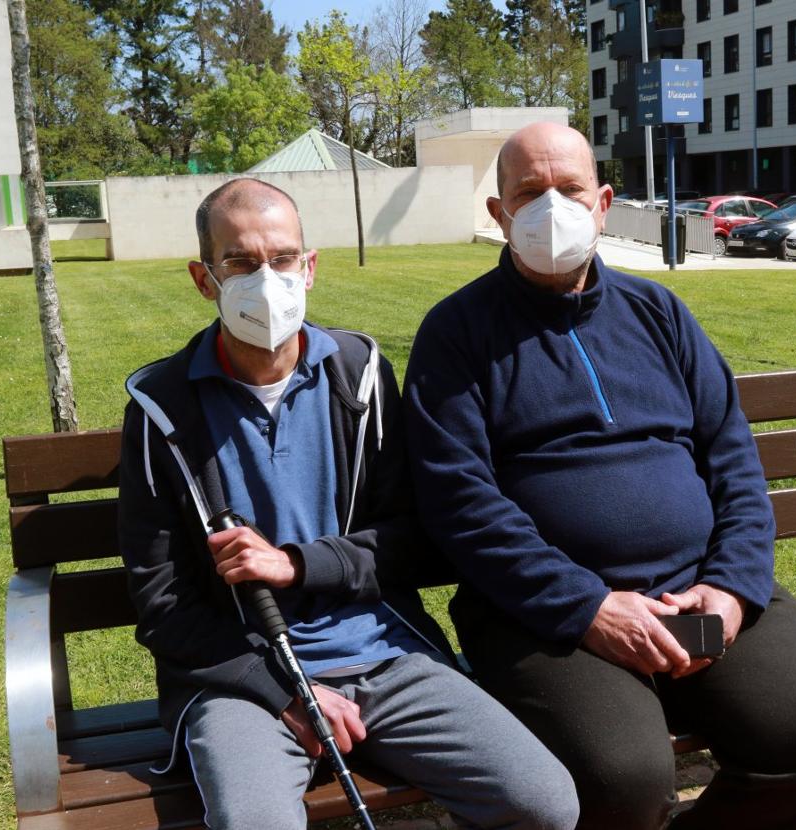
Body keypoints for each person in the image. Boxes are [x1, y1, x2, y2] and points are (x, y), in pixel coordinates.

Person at [403, 124, 796, 829]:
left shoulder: (659, 313)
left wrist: (733, 591)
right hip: (549, 624)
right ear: (498, 214)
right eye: (528, 193)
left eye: (570, 190)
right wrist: (587, 607)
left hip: (696, 607)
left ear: (603, 203)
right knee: (626, 780)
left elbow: (733, 460)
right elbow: (459, 501)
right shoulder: (456, 333)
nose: (550, 207)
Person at [117, 177, 577, 830]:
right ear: (203, 278)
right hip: (246, 680)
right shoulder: (161, 409)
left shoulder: (357, 372)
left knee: (543, 804)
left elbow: (413, 540)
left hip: (384, 651)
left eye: (282, 258)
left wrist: (298, 566)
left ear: (310, 269)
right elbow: (162, 606)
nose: (266, 278)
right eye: (241, 263)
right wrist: (286, 691)